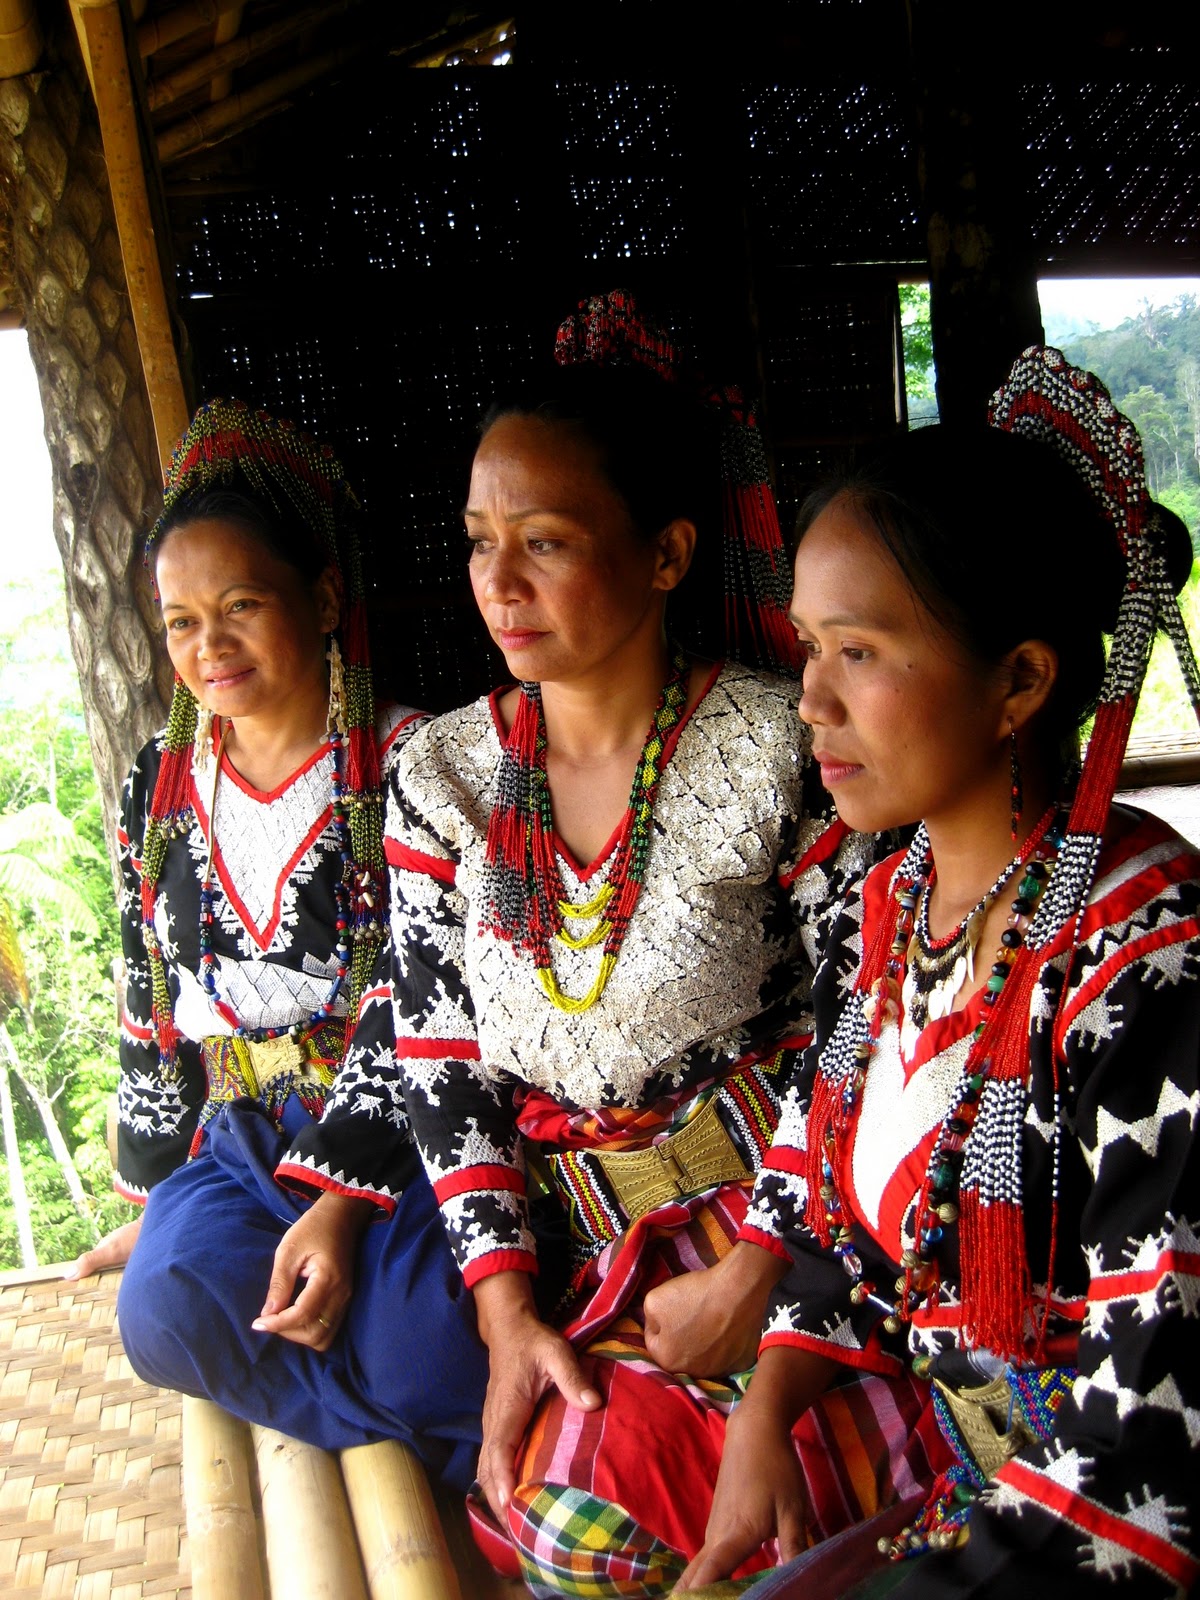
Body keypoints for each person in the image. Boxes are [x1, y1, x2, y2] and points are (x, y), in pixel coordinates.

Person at [381, 292, 930, 1596]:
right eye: (480, 542)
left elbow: (863, 1015)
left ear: (668, 553)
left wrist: (763, 1269)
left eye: (547, 542)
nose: (498, 582)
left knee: (671, 1513)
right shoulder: (440, 776)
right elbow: (441, 1058)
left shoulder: (781, 749)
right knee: (551, 1509)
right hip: (570, 1242)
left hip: (786, 1220)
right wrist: (506, 1311)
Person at [676, 348, 1200, 1597]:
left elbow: (1153, 1437)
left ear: (1019, 679)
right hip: (963, 1478)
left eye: (858, 652)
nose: (809, 700)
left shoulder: (1149, 962)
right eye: (808, 646)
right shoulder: (889, 905)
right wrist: (767, 1408)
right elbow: (856, 1235)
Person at [72, 399, 488, 1488]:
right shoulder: (158, 785)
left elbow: (429, 992)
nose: (209, 646)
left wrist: (342, 1205)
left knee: (434, 1345)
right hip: (239, 1136)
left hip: (395, 1137)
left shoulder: (413, 762)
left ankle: (388, 1393)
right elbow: (147, 989)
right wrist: (152, 1197)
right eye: (180, 621)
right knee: (161, 1312)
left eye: (242, 605)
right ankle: (398, 1414)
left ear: (326, 597)